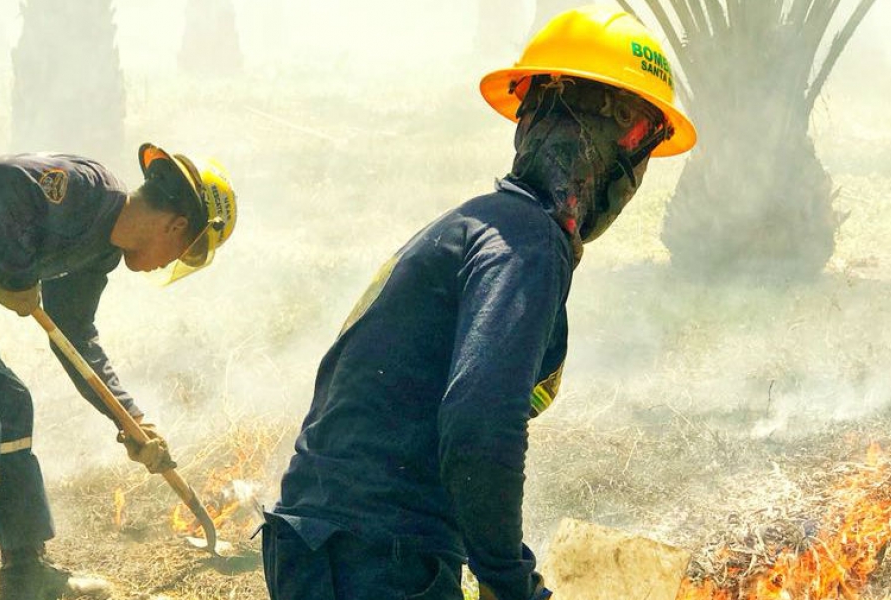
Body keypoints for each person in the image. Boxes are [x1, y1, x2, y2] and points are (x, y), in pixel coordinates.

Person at [262, 6, 696, 600]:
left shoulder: (480, 227)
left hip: (325, 545)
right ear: (608, 146)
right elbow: (479, 425)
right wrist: (509, 580)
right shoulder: (527, 245)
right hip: (374, 559)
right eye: (639, 145)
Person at [0, 144, 238, 600]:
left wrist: (130, 419)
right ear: (175, 226)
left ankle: (26, 572)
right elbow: (10, 178)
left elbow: (75, 338)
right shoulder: (89, 188)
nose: (169, 264)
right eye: (182, 253)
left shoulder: (100, 253)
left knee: (10, 405)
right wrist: (18, 276)